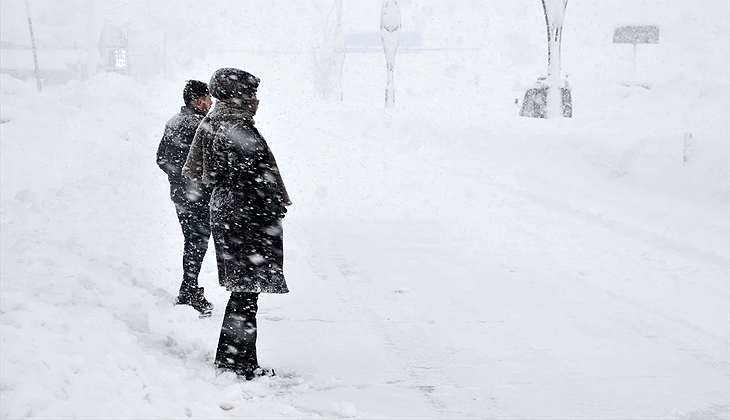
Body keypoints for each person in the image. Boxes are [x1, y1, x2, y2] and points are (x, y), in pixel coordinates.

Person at [183, 68, 291, 380]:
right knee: (246, 293)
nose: (256, 98)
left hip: (235, 215)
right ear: (237, 94)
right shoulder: (231, 126)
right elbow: (252, 177)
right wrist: (268, 202)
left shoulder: (218, 122)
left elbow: (201, 172)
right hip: (243, 217)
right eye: (251, 92)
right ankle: (240, 364)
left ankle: (233, 359)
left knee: (244, 292)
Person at [156, 80, 215, 317]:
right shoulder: (202, 126)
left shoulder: (174, 123)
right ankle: (189, 291)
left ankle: (188, 289)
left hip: (180, 196)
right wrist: (196, 180)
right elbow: (212, 165)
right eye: (209, 98)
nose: (211, 103)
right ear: (198, 100)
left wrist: (178, 178)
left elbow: (161, 158)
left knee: (191, 241)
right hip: (199, 196)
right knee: (197, 243)